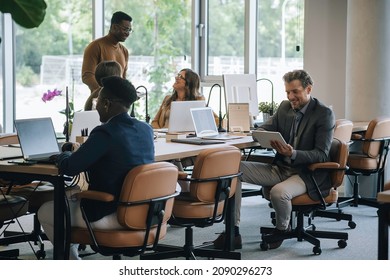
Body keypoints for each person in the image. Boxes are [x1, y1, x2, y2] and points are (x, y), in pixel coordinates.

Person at [213, 69, 335, 250]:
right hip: (281, 168)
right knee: (233, 170)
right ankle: (233, 230)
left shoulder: (323, 113)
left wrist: (292, 153)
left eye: (295, 92)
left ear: (308, 89)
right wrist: (262, 136)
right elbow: (263, 128)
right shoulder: (285, 107)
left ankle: (282, 229)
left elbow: (322, 154)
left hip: (306, 173)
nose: (291, 96)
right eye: (287, 92)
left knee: (279, 193)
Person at [38, 76, 155, 259]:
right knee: (70, 196)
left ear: (107, 103)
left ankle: (71, 263)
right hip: (142, 211)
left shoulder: (105, 132)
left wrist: (63, 155)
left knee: (46, 211)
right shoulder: (146, 129)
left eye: (98, 101)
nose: (96, 106)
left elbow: (69, 167)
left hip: (110, 214)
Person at [81, 11, 132, 93]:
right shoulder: (95, 46)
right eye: (125, 29)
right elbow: (87, 76)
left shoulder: (124, 51)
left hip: (119, 103)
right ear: (114, 27)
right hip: (100, 103)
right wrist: (104, 93)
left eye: (129, 30)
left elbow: (123, 78)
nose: (128, 33)